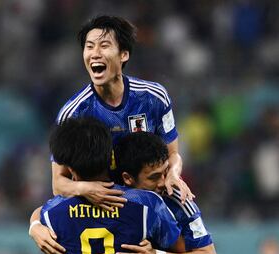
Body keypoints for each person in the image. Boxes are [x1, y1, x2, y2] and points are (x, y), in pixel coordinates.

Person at [52, 15, 193, 211]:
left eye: (104, 46)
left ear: (123, 54)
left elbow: (174, 154)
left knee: (186, 209)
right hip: (102, 207)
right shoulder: (73, 113)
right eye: (89, 46)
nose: (95, 53)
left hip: (150, 203)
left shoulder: (154, 98)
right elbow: (58, 183)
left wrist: (173, 174)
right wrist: (86, 188)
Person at [38, 117, 183, 254]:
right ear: (111, 158)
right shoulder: (146, 205)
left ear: (69, 168)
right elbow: (181, 249)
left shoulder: (55, 212)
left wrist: (34, 226)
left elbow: (41, 213)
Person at [113, 131, 218, 254]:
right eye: (154, 177)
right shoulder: (109, 199)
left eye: (165, 172)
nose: (163, 182)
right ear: (127, 178)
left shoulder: (178, 199)